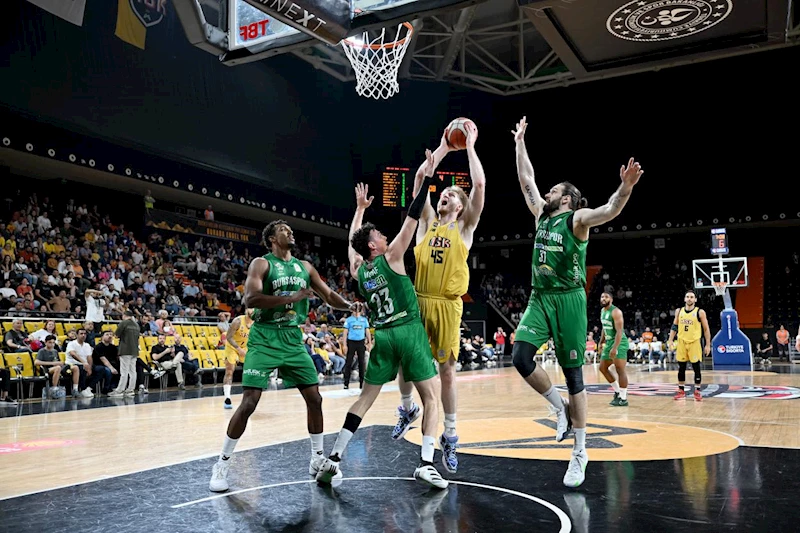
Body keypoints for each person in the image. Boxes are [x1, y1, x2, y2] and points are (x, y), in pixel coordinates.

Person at [510, 115, 644, 488]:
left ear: (566, 199)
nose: (546, 193)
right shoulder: (540, 215)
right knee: (521, 357)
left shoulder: (577, 220)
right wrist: (519, 142)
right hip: (540, 297)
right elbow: (526, 179)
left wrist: (625, 188)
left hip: (569, 301)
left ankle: (580, 452)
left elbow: (609, 209)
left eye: (553, 191)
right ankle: (560, 410)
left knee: (573, 378)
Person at [316, 170, 447, 489]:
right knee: (432, 398)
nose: (385, 236)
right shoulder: (392, 256)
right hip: (409, 331)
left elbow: (352, 244)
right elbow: (413, 215)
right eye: (379, 235)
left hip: (384, 337)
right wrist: (428, 181)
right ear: (373, 245)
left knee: (365, 399)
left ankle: (334, 458)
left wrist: (360, 209)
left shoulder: (359, 270)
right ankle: (426, 464)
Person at [209, 220, 353, 492]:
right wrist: (291, 298)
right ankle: (222, 464)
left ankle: (317, 459)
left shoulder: (305, 267)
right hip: (264, 338)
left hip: (292, 338)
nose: (290, 232)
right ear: (272, 239)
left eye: (290, 229)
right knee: (249, 403)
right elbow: (251, 299)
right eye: (284, 230)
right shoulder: (262, 264)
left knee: (315, 398)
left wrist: (350, 306)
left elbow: (328, 294)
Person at [393, 122, 486, 475]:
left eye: (452, 195)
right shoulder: (427, 222)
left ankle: (450, 434)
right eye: (443, 193)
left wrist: (470, 146)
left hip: (447, 305)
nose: (445, 195)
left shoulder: (464, 228)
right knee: (405, 360)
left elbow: (479, 185)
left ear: (461, 207)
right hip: (419, 300)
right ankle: (407, 408)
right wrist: (445, 147)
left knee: (446, 372)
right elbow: (420, 180)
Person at [666, 290, 711, 401]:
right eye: (687, 297)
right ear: (684, 299)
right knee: (681, 368)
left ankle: (697, 391)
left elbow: (706, 329)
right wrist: (670, 340)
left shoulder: (700, 312)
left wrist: (708, 344)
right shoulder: (679, 311)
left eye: (691, 297)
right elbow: (674, 326)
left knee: (696, 367)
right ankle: (681, 391)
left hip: (694, 342)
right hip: (681, 341)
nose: (689, 299)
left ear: (695, 299)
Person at [598, 292, 630, 407]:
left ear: (611, 299)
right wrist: (601, 341)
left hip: (619, 342)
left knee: (620, 369)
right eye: (602, 296)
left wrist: (615, 348)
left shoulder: (616, 312)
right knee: (602, 368)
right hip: (609, 342)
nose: (603, 299)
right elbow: (604, 327)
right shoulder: (602, 311)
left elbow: (619, 331)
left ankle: (623, 398)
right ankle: (617, 391)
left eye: (606, 297)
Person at [221, 308, 254, 409]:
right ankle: (227, 398)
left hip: (245, 347)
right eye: (251, 308)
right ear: (246, 310)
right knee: (229, 371)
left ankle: (248, 398)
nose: (252, 311)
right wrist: (239, 349)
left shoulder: (256, 323)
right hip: (232, 347)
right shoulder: (238, 321)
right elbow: (228, 337)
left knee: (249, 372)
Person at [342, 303, 372, 390]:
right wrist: (344, 345)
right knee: (349, 362)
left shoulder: (364, 320)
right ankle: (346, 383)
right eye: (355, 310)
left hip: (361, 342)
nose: (356, 312)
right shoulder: (349, 320)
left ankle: (362, 383)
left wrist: (369, 343)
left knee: (361, 362)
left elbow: (367, 331)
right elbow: (345, 332)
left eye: (358, 310)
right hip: (351, 342)